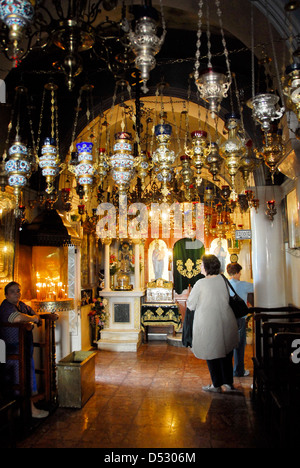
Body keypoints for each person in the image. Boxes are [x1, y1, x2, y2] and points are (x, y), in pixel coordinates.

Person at [186, 254, 239, 393]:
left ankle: (216, 384)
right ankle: (228, 383)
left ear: (207, 267)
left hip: (208, 322)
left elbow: (191, 304)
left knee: (211, 352)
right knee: (226, 352)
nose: (200, 267)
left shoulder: (200, 283)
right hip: (226, 319)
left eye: (202, 264)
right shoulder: (223, 279)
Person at [0, 281, 49, 418]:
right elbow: (17, 318)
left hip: (23, 348)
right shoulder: (5, 307)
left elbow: (31, 312)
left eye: (18, 291)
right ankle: (27, 409)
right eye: (13, 291)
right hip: (11, 352)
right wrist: (32, 319)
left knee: (27, 375)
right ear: (6, 295)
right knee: (19, 379)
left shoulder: (20, 305)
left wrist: (33, 318)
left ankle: (27, 408)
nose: (17, 293)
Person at [226, 263, 254, 378]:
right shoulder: (243, 285)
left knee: (228, 345)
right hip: (240, 318)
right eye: (240, 272)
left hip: (228, 318)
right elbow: (259, 286)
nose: (240, 274)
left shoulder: (225, 284)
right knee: (240, 345)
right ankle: (239, 371)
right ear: (237, 273)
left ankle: (227, 371)